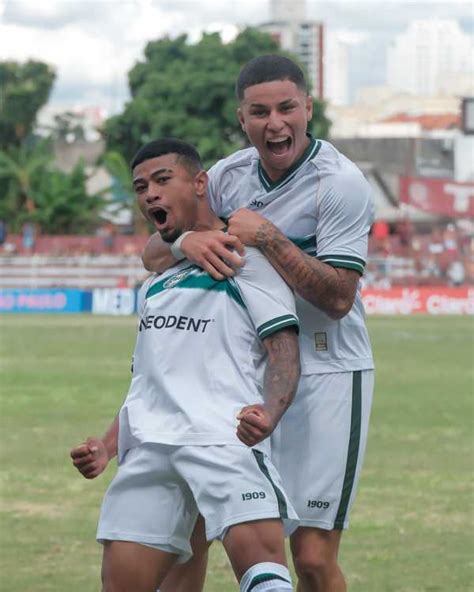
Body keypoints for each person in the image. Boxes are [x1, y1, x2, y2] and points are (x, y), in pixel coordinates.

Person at [142, 55, 375, 592]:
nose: (276, 123)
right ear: (241, 118)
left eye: (287, 108)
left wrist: (268, 236)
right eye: (260, 111)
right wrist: (186, 239)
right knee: (207, 529)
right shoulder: (225, 177)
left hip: (327, 371)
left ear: (308, 108)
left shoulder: (338, 183)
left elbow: (339, 298)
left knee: (312, 557)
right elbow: (154, 253)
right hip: (246, 374)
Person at [70, 138, 301, 592]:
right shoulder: (156, 283)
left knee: (267, 578)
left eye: (161, 180)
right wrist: (107, 445)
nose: (150, 194)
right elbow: (150, 381)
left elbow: (284, 352)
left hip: (222, 439)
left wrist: (270, 413)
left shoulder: (245, 259)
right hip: (151, 450)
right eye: (140, 187)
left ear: (200, 183)